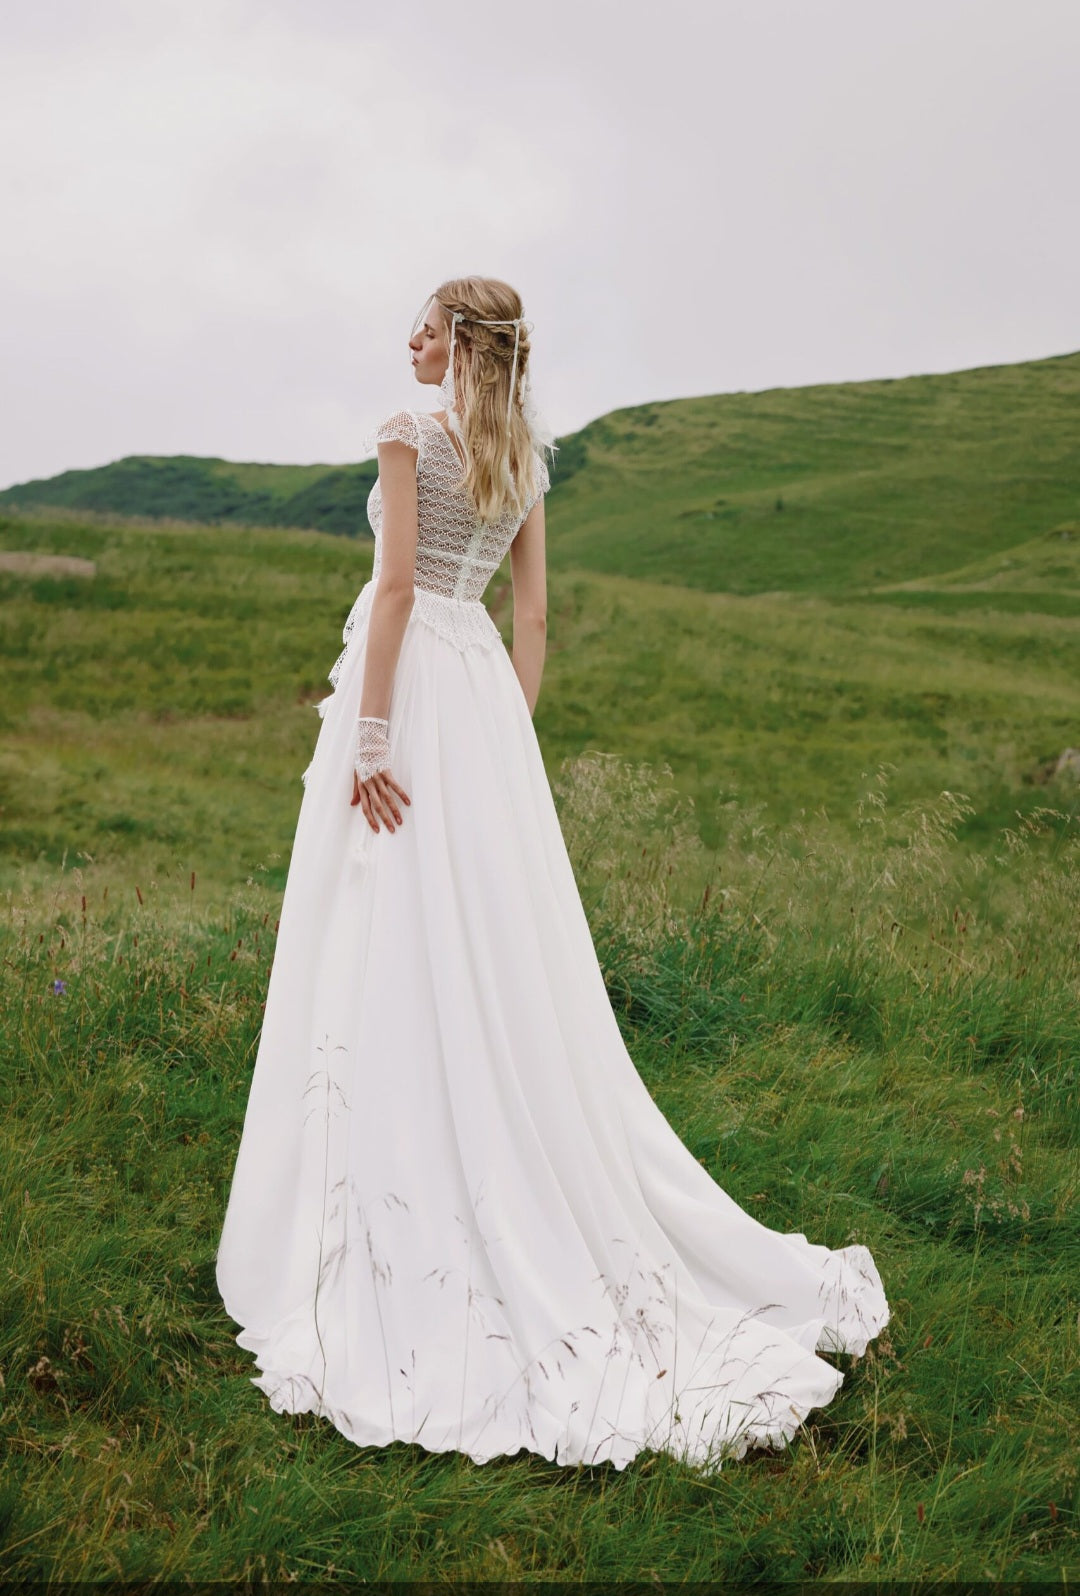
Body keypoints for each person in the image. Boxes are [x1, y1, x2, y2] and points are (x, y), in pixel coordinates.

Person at [215, 275, 889, 1472]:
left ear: (463, 344)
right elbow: (533, 625)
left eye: (426, 326)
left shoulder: (406, 437)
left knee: (384, 922)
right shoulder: (527, 462)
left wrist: (375, 736)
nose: (409, 341)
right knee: (483, 933)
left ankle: (395, 1187)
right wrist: (502, 750)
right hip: (479, 702)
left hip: (416, 686)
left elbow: (393, 595)